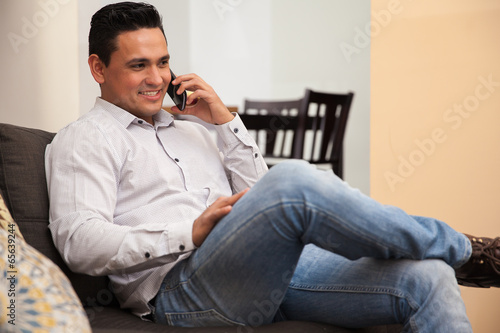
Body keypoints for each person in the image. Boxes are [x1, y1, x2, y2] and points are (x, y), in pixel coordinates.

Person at [45, 2, 500, 332]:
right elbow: (80, 243)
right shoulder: (83, 140)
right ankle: (467, 251)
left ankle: (455, 259)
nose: (158, 78)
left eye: (163, 62)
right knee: (294, 177)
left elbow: (273, 204)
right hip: (183, 290)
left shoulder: (193, 126)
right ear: (98, 68)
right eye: (138, 65)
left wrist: (224, 122)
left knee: (430, 276)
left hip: (267, 272)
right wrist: (191, 232)